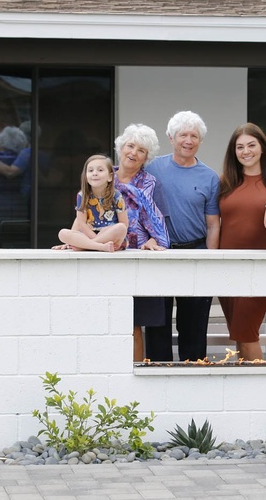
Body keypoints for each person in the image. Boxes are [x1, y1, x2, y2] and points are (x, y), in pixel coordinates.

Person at [144, 111, 220, 362]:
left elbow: (213, 225)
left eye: (194, 136)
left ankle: (194, 376)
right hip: (161, 253)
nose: (188, 140)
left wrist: (211, 260)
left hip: (195, 252)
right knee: (157, 323)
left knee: (194, 324)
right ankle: (158, 373)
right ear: (171, 138)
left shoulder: (209, 176)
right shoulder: (154, 168)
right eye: (183, 135)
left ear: (200, 141)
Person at [218, 123, 266, 360]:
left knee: (247, 333)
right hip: (226, 268)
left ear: (263, 148)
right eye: (240, 147)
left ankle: (258, 391)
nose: (246, 151)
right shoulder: (225, 182)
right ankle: (242, 390)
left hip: (261, 267)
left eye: (251, 145)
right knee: (238, 332)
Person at [112, 123, 170, 362]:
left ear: (147, 157)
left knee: (134, 325)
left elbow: (162, 225)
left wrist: (152, 241)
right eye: (130, 146)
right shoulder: (102, 177)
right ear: (121, 147)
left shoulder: (151, 184)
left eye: (141, 150)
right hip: (106, 259)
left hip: (138, 262)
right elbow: (83, 214)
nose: (134, 153)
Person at [56, 155, 128, 252]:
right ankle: (99, 247)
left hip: (109, 234)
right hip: (88, 234)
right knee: (63, 233)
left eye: (100, 170)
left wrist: (86, 242)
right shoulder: (82, 195)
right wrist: (70, 241)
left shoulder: (116, 196)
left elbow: (124, 223)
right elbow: (80, 222)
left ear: (110, 177)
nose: (95, 173)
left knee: (121, 228)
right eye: (90, 170)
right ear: (85, 176)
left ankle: (86, 246)